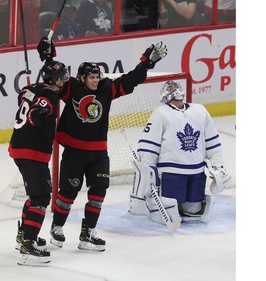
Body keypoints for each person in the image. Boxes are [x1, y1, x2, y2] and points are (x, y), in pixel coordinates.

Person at [36, 37, 168, 251]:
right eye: (91, 77)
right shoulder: (71, 88)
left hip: (98, 152)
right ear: (81, 78)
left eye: (97, 77)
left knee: (99, 190)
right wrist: (48, 56)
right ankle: (57, 227)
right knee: (68, 192)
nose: (95, 80)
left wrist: (147, 63)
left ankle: (88, 232)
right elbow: (54, 78)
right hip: (74, 151)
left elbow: (130, 80)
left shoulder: (106, 88)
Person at [129, 81, 231, 226]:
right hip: (172, 173)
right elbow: (148, 145)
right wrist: (149, 170)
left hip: (197, 172)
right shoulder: (161, 113)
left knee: (193, 212)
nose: (174, 89)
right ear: (164, 95)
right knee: (172, 210)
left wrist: (218, 165)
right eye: (170, 88)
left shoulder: (200, 110)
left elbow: (212, 141)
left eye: (176, 87)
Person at [8, 60, 70, 266]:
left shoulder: (29, 88)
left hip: (18, 147)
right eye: (62, 76)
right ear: (56, 79)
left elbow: (24, 98)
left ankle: (24, 234)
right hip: (32, 151)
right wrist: (39, 114)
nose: (65, 79)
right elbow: (41, 109)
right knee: (41, 197)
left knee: (35, 194)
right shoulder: (51, 96)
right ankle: (28, 244)